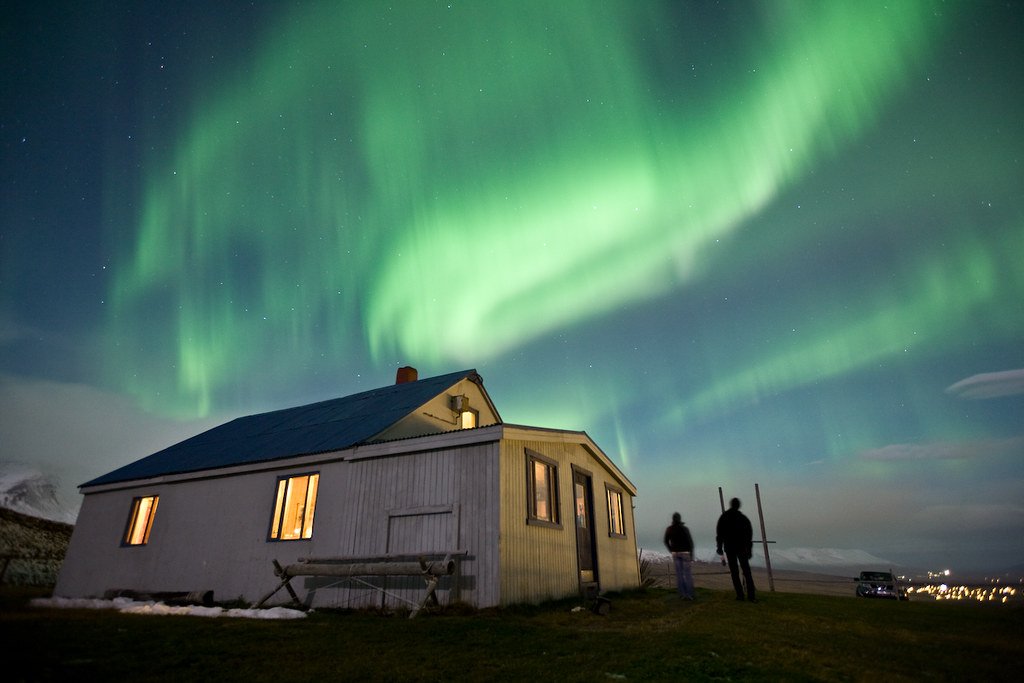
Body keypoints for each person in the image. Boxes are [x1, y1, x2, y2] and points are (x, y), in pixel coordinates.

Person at [716, 497, 756, 602]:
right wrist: (749, 550)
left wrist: (719, 548)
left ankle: (740, 595)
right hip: (741, 548)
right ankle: (751, 596)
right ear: (738, 506)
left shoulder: (724, 517)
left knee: (734, 572)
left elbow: (719, 534)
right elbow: (749, 535)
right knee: (747, 572)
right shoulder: (742, 518)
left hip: (729, 548)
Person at [663, 512, 695, 599]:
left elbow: (666, 541)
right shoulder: (684, 529)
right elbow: (690, 542)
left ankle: (682, 594)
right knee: (687, 574)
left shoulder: (669, 529)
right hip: (685, 553)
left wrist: (671, 550)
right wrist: (691, 555)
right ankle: (690, 594)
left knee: (679, 575)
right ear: (680, 519)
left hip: (675, 553)